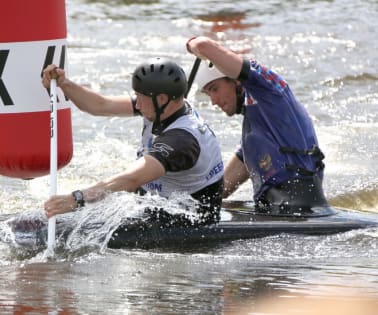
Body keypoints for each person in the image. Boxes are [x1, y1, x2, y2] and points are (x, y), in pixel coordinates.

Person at [42, 57, 224, 225]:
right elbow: (100, 105)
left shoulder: (181, 141)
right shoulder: (162, 107)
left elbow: (131, 180)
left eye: (141, 99)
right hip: (157, 201)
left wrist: (76, 199)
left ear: (162, 99)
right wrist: (64, 84)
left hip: (188, 218)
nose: (137, 106)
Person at [186, 36, 328, 215]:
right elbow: (221, 190)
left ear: (237, 81)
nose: (213, 101)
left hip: (299, 210)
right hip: (272, 208)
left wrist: (191, 45)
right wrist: (189, 201)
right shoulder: (257, 129)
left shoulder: (270, 90)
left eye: (215, 89)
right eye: (208, 94)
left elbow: (202, 45)